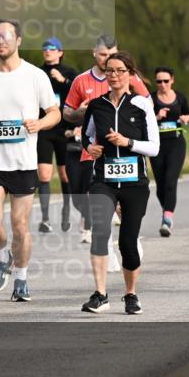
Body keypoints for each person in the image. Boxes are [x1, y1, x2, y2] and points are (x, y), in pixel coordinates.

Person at [0, 17, 59, 302]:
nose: (0, 41)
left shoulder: (35, 76)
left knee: (20, 226)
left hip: (23, 162)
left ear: (18, 40)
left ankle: (21, 280)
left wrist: (39, 124)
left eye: (6, 36)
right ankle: (2, 258)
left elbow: (54, 112)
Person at [80, 52, 159, 314]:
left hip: (134, 181)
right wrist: (90, 148)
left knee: (127, 241)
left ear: (130, 74)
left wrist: (128, 142)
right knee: (100, 233)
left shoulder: (141, 105)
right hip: (103, 179)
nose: (113, 75)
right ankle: (100, 294)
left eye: (119, 70)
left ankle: (130, 294)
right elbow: (87, 136)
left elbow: (154, 147)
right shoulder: (97, 105)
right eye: (109, 70)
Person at [63, 35, 149, 256]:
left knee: (117, 207)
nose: (108, 59)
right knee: (90, 202)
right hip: (94, 152)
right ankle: (107, 252)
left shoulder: (129, 76)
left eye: (112, 55)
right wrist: (82, 112)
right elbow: (67, 113)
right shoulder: (81, 80)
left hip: (126, 154)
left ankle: (130, 245)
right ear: (94, 53)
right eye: (103, 55)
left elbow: (146, 106)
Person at [36, 37, 77, 234]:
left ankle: (66, 211)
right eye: (45, 48)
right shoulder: (37, 73)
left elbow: (79, 96)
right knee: (44, 174)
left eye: (52, 48)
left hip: (64, 130)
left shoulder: (70, 72)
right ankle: (45, 219)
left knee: (65, 174)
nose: (47, 51)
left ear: (60, 52)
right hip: (44, 129)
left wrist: (63, 81)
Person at [150, 66, 189, 237]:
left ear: (172, 80)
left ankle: (167, 219)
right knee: (160, 185)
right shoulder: (151, 99)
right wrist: (157, 117)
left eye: (166, 81)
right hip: (157, 145)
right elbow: (142, 121)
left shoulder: (180, 97)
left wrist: (185, 118)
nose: (162, 84)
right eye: (159, 81)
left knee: (170, 180)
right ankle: (166, 210)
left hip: (176, 144)